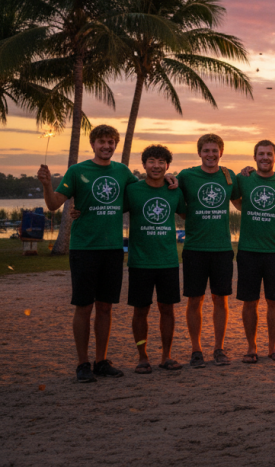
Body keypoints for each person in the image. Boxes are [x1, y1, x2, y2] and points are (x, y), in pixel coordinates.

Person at [38, 125, 140, 383]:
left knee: (106, 307)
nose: (106, 146)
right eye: (101, 142)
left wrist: (170, 181)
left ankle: (101, 361)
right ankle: (82, 364)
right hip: (84, 249)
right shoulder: (77, 171)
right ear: (93, 144)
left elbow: (143, 192)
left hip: (113, 249)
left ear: (115, 145)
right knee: (84, 307)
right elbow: (53, 205)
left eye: (110, 142)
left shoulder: (123, 172)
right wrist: (46, 185)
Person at [176, 134, 240, 368]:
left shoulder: (229, 175)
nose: (210, 154)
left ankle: (219, 348)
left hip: (222, 248)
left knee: (220, 300)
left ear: (221, 152)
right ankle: (196, 350)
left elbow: (240, 201)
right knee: (195, 300)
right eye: (206, 150)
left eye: (215, 150)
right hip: (194, 247)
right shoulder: (187, 175)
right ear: (199, 152)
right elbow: (173, 197)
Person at [231, 140, 275, 363]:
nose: (265, 158)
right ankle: (251, 347)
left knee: (274, 301)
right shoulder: (244, 179)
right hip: (248, 250)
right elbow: (236, 201)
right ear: (254, 158)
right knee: (249, 301)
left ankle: (273, 347)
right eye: (261, 154)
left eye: (269, 154)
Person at [123, 145, 187, 373]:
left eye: (161, 162)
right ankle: (142, 356)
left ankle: (166, 356)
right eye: (152, 161)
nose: (156, 166)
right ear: (144, 164)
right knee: (140, 311)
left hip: (168, 260)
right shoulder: (132, 190)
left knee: (167, 310)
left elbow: (187, 213)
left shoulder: (174, 190)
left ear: (167, 166)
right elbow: (109, 209)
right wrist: (78, 211)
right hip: (140, 262)